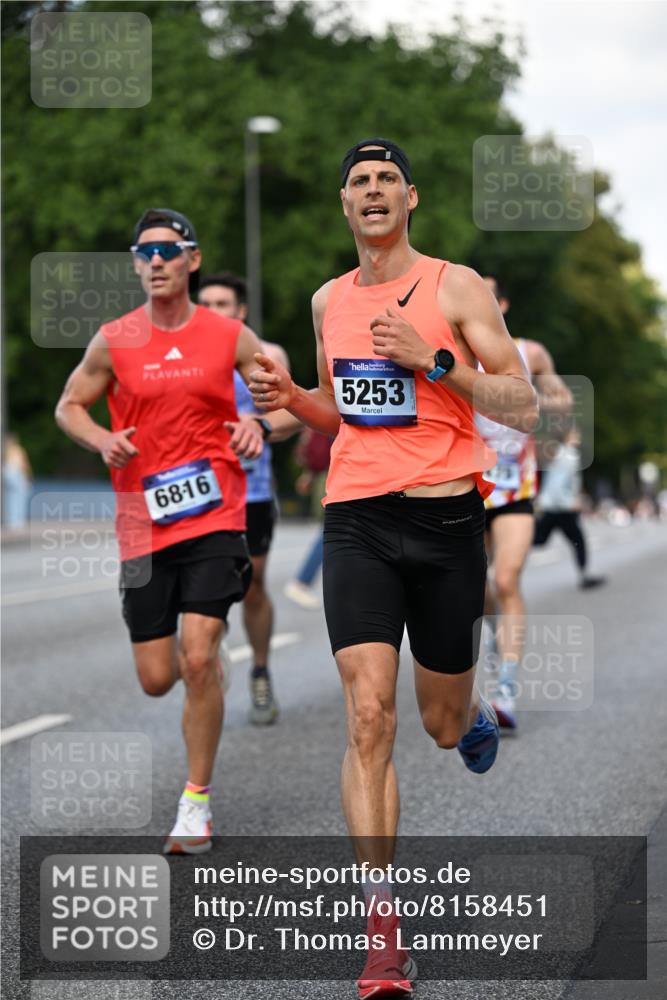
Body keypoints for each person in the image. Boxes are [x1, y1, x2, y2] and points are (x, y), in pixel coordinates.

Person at [249, 139, 539, 999]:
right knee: (368, 715)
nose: (371, 193)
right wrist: (292, 401)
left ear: (409, 198)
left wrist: (434, 361)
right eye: (358, 183)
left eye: (385, 181)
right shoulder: (326, 299)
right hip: (358, 521)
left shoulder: (455, 287)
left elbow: (521, 404)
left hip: (448, 518)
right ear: (345, 205)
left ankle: (471, 710)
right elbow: (341, 409)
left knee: (440, 727)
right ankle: (383, 936)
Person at [55, 208, 271, 855]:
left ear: (191, 260)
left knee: (198, 656)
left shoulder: (228, 335)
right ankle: (206, 676)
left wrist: (257, 424)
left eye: (168, 251)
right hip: (143, 523)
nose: (155, 261)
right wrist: (101, 437)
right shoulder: (114, 339)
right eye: (144, 252)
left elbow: (275, 394)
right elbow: (70, 405)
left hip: (215, 514)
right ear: (134, 263)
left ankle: (194, 804)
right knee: (157, 675)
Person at [475, 275, 572, 732]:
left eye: (490, 297)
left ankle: (506, 686)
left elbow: (560, 396)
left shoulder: (529, 352)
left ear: (504, 304)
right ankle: (496, 634)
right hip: (467, 484)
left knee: (508, 577)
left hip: (515, 485)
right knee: (478, 586)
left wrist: (546, 406)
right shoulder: (451, 351)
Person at [199, 271, 291, 725]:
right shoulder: (182, 357)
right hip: (202, 494)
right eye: (206, 303)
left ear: (241, 312)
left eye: (222, 304)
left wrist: (256, 424)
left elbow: (291, 410)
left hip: (251, 492)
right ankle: (207, 650)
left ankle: (259, 668)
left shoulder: (265, 356)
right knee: (204, 586)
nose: (212, 312)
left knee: (253, 586)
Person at [533, 426, 606, 588]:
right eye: (575, 434)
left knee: (540, 539)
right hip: (562, 508)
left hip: (551, 506)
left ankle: (505, 543)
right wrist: (570, 502)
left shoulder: (558, 454)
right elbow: (558, 485)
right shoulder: (569, 456)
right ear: (566, 436)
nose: (578, 436)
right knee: (578, 541)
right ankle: (585, 575)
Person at [284, 428, 332, 610]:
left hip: (326, 476)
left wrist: (309, 474)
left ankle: (302, 581)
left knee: (331, 531)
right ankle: (302, 580)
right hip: (335, 476)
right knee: (332, 531)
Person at [2, 433, 33, 529]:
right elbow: (24, 464)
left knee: (11, 499)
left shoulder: (5, 450)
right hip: (16, 473)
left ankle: (12, 521)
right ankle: (18, 522)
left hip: (6, 473)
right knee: (20, 498)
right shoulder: (18, 449)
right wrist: (29, 475)